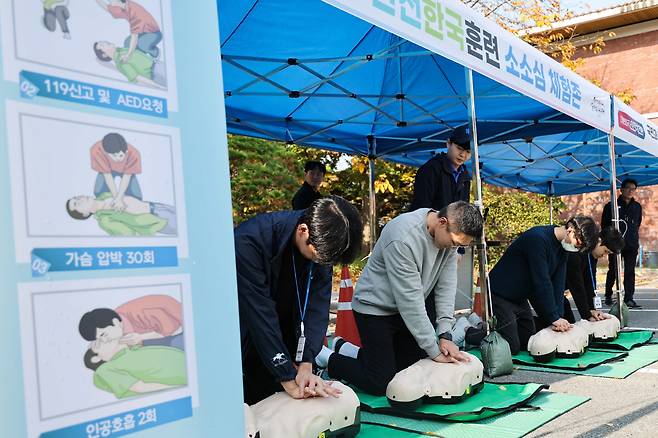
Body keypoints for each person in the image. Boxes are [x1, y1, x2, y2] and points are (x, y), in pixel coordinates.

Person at [315, 201, 484, 396]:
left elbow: (446, 286)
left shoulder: (449, 239)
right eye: (455, 243)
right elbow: (410, 301)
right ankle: (326, 357)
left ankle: (348, 350)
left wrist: (445, 334)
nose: (454, 247)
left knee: (410, 371)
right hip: (374, 309)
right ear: (442, 222)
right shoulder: (403, 237)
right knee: (382, 383)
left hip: (403, 309)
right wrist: (435, 350)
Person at [235, 196, 363, 404]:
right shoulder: (249, 241)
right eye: (318, 257)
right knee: (250, 402)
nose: (322, 263)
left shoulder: (323, 244)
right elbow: (259, 313)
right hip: (247, 329)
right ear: (304, 230)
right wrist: (285, 375)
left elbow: (318, 306)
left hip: (285, 328)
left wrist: (306, 363)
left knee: (281, 404)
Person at [465, 217, 599, 355]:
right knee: (511, 346)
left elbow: (558, 284)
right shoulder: (537, 239)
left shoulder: (563, 249)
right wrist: (553, 318)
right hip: (498, 294)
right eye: (577, 244)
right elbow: (542, 281)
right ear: (570, 230)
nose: (576, 248)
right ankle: (468, 332)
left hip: (520, 297)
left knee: (529, 341)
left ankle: (484, 325)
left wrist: (558, 317)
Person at [564, 227, 625, 323]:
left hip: (558, 289)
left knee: (569, 322)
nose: (604, 256)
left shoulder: (591, 255)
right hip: (548, 285)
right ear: (599, 241)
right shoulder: (578, 251)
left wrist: (592, 310)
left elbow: (588, 283)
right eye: (605, 251)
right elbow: (577, 285)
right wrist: (587, 314)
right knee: (564, 321)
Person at [78, 297, 184, 351]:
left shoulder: (140, 313)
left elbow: (171, 330)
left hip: (180, 325)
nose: (105, 340)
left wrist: (142, 338)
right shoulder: (117, 326)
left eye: (103, 335)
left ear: (115, 322)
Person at [84, 344, 187, 399]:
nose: (103, 340)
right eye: (99, 344)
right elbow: (140, 387)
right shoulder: (104, 370)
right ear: (96, 358)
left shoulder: (127, 353)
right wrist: (179, 389)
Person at [409, 126, 472, 212]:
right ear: (448, 143)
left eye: (468, 152)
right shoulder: (430, 169)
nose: (463, 155)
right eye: (459, 148)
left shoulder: (465, 176)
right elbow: (422, 208)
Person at [602, 178, 643, 308]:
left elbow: (638, 223)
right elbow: (605, 225)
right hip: (615, 244)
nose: (631, 191)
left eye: (633, 189)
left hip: (631, 244)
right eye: (628, 188)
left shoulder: (637, 207)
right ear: (621, 189)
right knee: (613, 270)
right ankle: (608, 295)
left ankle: (629, 298)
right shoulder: (611, 205)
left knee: (630, 271)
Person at [66, 193, 177, 236]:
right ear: (85, 214)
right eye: (76, 204)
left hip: (158, 206)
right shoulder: (105, 221)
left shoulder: (104, 195)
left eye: (76, 198)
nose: (79, 199)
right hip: (159, 220)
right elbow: (130, 235)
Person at [94, 0, 162, 59]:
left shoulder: (133, 10)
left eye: (111, 1)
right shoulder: (121, 8)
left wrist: (128, 55)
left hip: (154, 33)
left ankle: (155, 53)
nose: (110, 3)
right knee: (127, 43)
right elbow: (107, 8)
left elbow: (134, 37)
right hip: (143, 33)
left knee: (141, 44)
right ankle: (141, 56)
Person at [91, 133, 142, 204]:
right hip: (107, 169)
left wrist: (119, 198)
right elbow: (107, 175)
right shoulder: (97, 150)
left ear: (126, 152)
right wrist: (116, 198)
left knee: (136, 196)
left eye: (121, 155)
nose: (118, 159)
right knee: (99, 192)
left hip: (126, 170)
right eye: (114, 156)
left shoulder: (134, 154)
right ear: (106, 153)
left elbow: (127, 176)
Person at [93, 41, 166, 87]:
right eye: (102, 45)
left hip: (158, 64)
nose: (105, 42)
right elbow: (137, 77)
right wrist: (158, 87)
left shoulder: (122, 50)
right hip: (156, 72)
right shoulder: (120, 61)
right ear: (104, 55)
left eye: (103, 42)